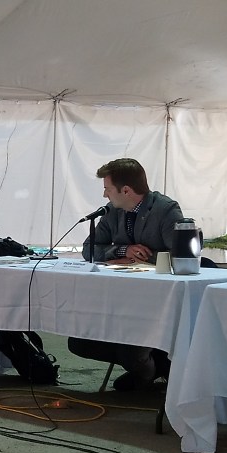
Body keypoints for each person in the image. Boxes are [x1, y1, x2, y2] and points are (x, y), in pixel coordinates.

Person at [69, 158, 184, 391]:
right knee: (79, 342)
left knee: (132, 349)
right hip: (119, 297)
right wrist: (123, 251)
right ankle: (151, 366)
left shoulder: (166, 210)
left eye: (107, 189)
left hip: (156, 301)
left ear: (126, 191)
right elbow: (88, 249)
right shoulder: (112, 212)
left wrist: (143, 258)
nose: (104, 195)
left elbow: (182, 255)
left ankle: (150, 368)